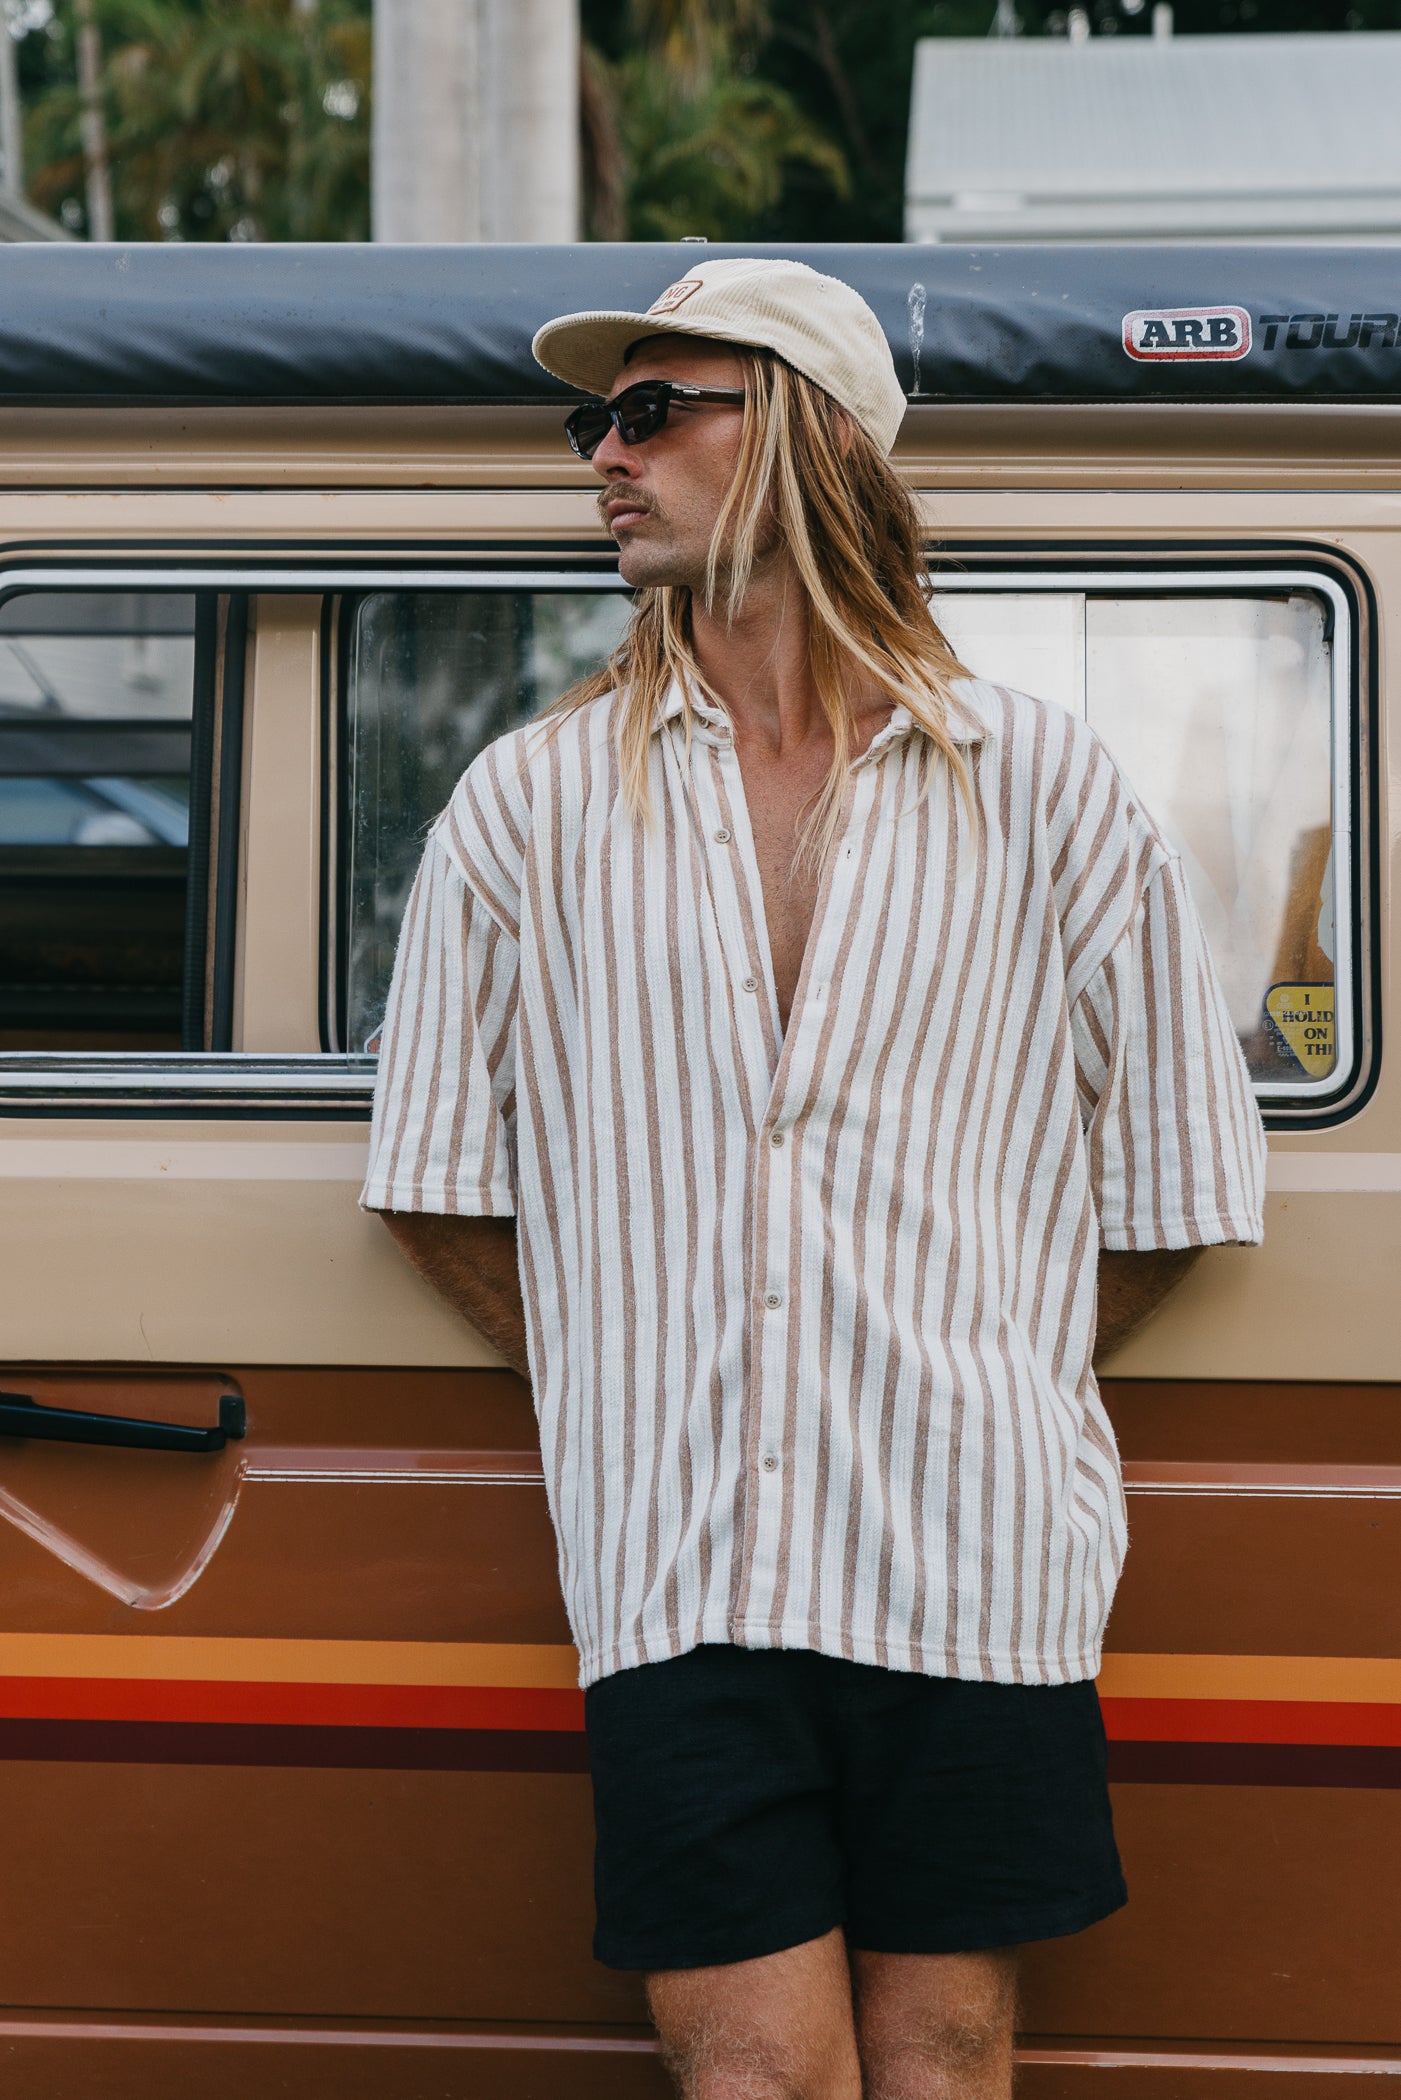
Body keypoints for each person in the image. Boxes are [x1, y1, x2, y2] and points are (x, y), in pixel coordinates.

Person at [361, 256, 1266, 2100]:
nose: (599, 460)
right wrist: (626, 1377)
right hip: (681, 1556)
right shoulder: (523, 810)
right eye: (591, 423)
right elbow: (435, 1183)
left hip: (976, 1555)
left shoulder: (1052, 794)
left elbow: (1178, 1181)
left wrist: (989, 1372)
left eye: (647, 412)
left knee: (942, 2056)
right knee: (753, 2075)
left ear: (805, 438)